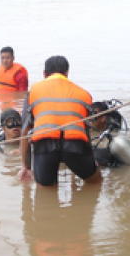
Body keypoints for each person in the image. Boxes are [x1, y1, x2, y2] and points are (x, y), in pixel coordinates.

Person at [19, 55, 101, 186]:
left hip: (44, 147)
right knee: (95, 182)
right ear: (67, 73)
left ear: (45, 74)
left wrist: (26, 166)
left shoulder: (33, 92)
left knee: (46, 193)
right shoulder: (83, 93)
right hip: (75, 146)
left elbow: (25, 131)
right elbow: (86, 132)